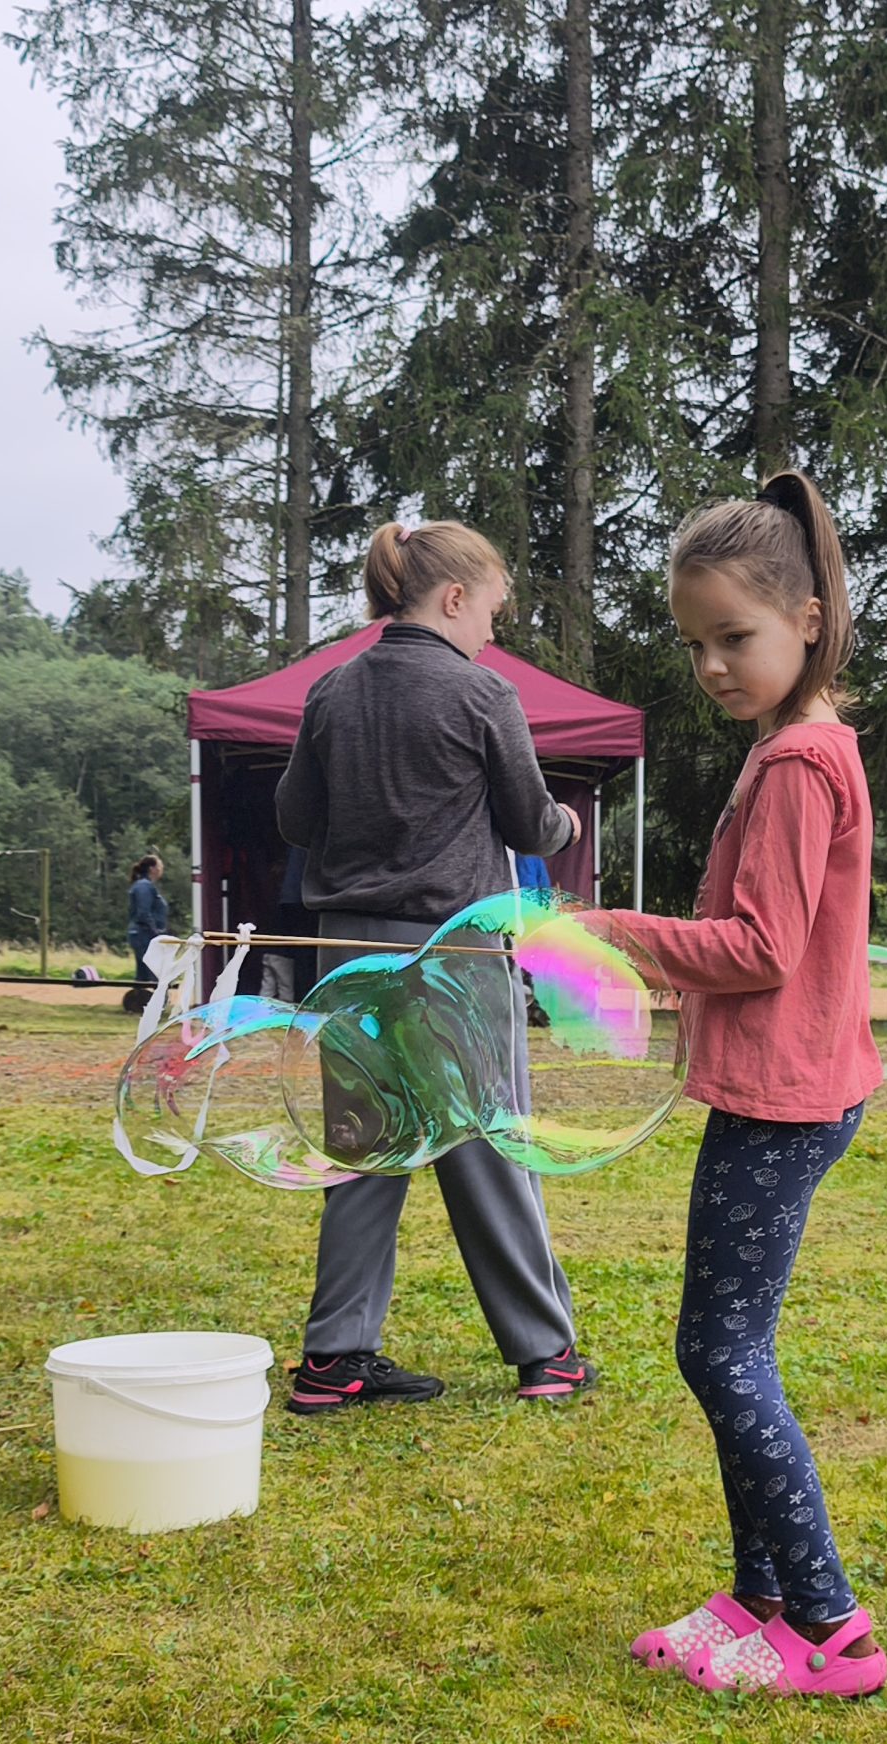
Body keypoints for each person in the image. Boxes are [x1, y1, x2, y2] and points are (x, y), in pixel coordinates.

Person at [595, 471, 887, 1697]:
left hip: (785, 1099)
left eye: (735, 637)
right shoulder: (791, 746)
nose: (712, 665)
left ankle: (830, 1629)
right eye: (694, 644)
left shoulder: (798, 762)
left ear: (807, 621)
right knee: (729, 1349)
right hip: (787, 1085)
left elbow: (762, 946)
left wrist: (612, 932)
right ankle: (759, 1601)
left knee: (720, 1356)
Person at [274, 518, 597, 1409]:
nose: (494, 629)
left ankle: (334, 1359)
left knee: (366, 1148)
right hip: (451, 947)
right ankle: (546, 1355)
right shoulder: (483, 693)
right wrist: (566, 823)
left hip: (345, 947)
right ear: (454, 598)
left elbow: (295, 820)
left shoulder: (331, 691)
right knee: (488, 1143)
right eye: (492, 608)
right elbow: (531, 825)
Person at [126, 853, 170, 1007]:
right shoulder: (144, 886)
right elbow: (143, 912)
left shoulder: (145, 886)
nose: (161, 869)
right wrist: (155, 932)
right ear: (152, 869)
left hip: (142, 933)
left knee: (143, 971)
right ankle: (155, 1002)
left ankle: (139, 1001)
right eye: (160, 866)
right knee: (153, 969)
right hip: (143, 934)